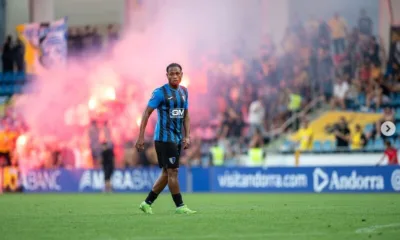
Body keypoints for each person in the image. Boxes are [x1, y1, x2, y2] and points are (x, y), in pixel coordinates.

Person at [136, 63, 196, 214]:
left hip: (176, 139)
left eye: (177, 73)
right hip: (164, 139)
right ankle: (180, 206)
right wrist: (141, 136)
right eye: (171, 74)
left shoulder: (184, 92)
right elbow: (146, 113)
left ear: (181, 74)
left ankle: (147, 203)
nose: (175, 76)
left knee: (166, 173)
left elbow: (186, 115)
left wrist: (187, 136)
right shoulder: (160, 93)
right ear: (167, 75)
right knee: (173, 171)